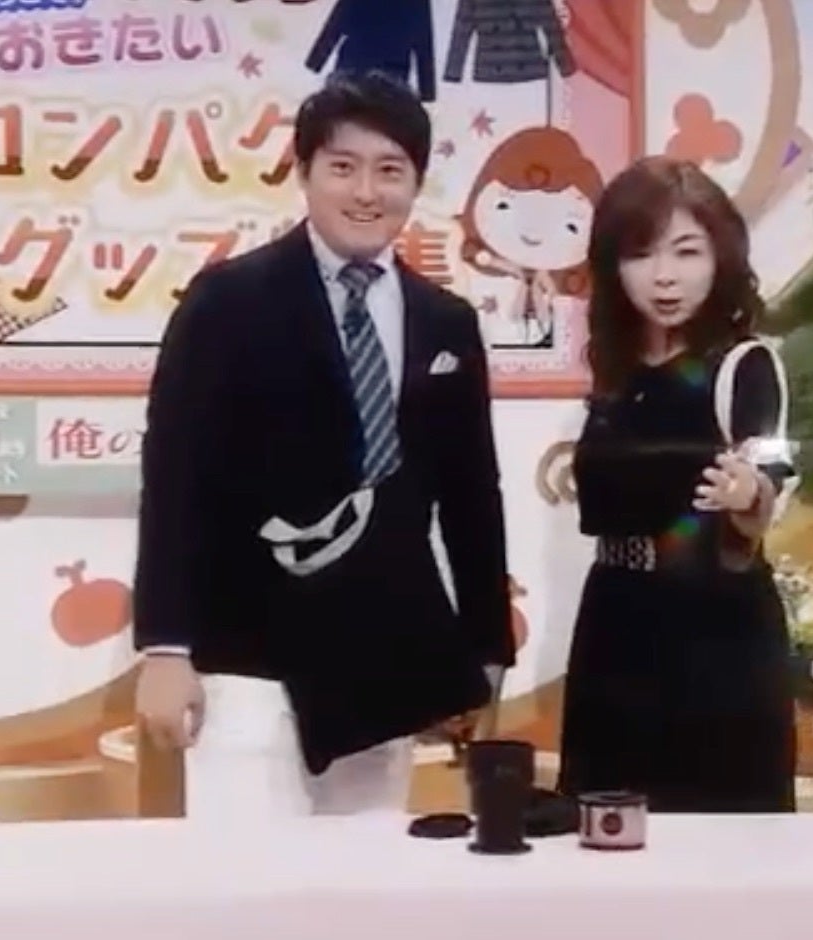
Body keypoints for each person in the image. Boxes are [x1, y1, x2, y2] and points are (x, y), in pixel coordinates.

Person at [131, 70, 515, 820]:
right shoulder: (226, 301)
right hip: (247, 656)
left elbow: (472, 494)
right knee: (248, 877)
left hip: (383, 652)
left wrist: (485, 650)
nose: (366, 192)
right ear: (303, 172)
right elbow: (175, 479)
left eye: (390, 170)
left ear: (417, 182)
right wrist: (166, 648)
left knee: (365, 877)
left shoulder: (446, 321)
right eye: (343, 166)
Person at [557, 156, 797, 814]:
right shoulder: (615, 368)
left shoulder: (745, 364)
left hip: (715, 631)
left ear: (721, 256)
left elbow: (770, 470)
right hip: (614, 621)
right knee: (604, 827)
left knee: (719, 833)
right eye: (641, 254)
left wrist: (748, 494)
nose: (664, 276)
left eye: (687, 252)